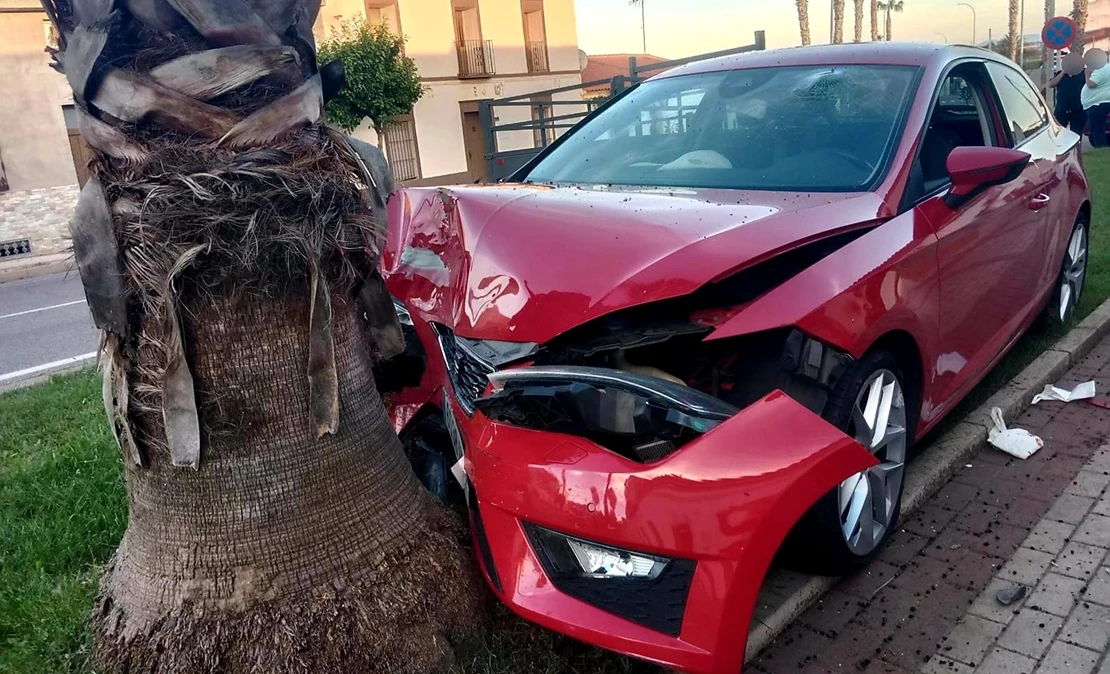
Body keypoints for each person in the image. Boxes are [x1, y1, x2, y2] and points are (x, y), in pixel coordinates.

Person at [1049, 51, 1087, 135]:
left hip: (1078, 109)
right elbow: (1050, 84)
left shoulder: (1083, 73)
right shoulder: (1060, 74)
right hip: (1061, 109)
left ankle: (1077, 148)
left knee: (1076, 134)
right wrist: (1063, 72)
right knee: (1058, 133)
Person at [1081, 48, 1110, 147]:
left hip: (1098, 103)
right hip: (1103, 101)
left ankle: (1101, 148)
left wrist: (1087, 74)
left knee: (1097, 128)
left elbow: (1091, 84)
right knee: (1100, 126)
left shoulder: (1100, 69)